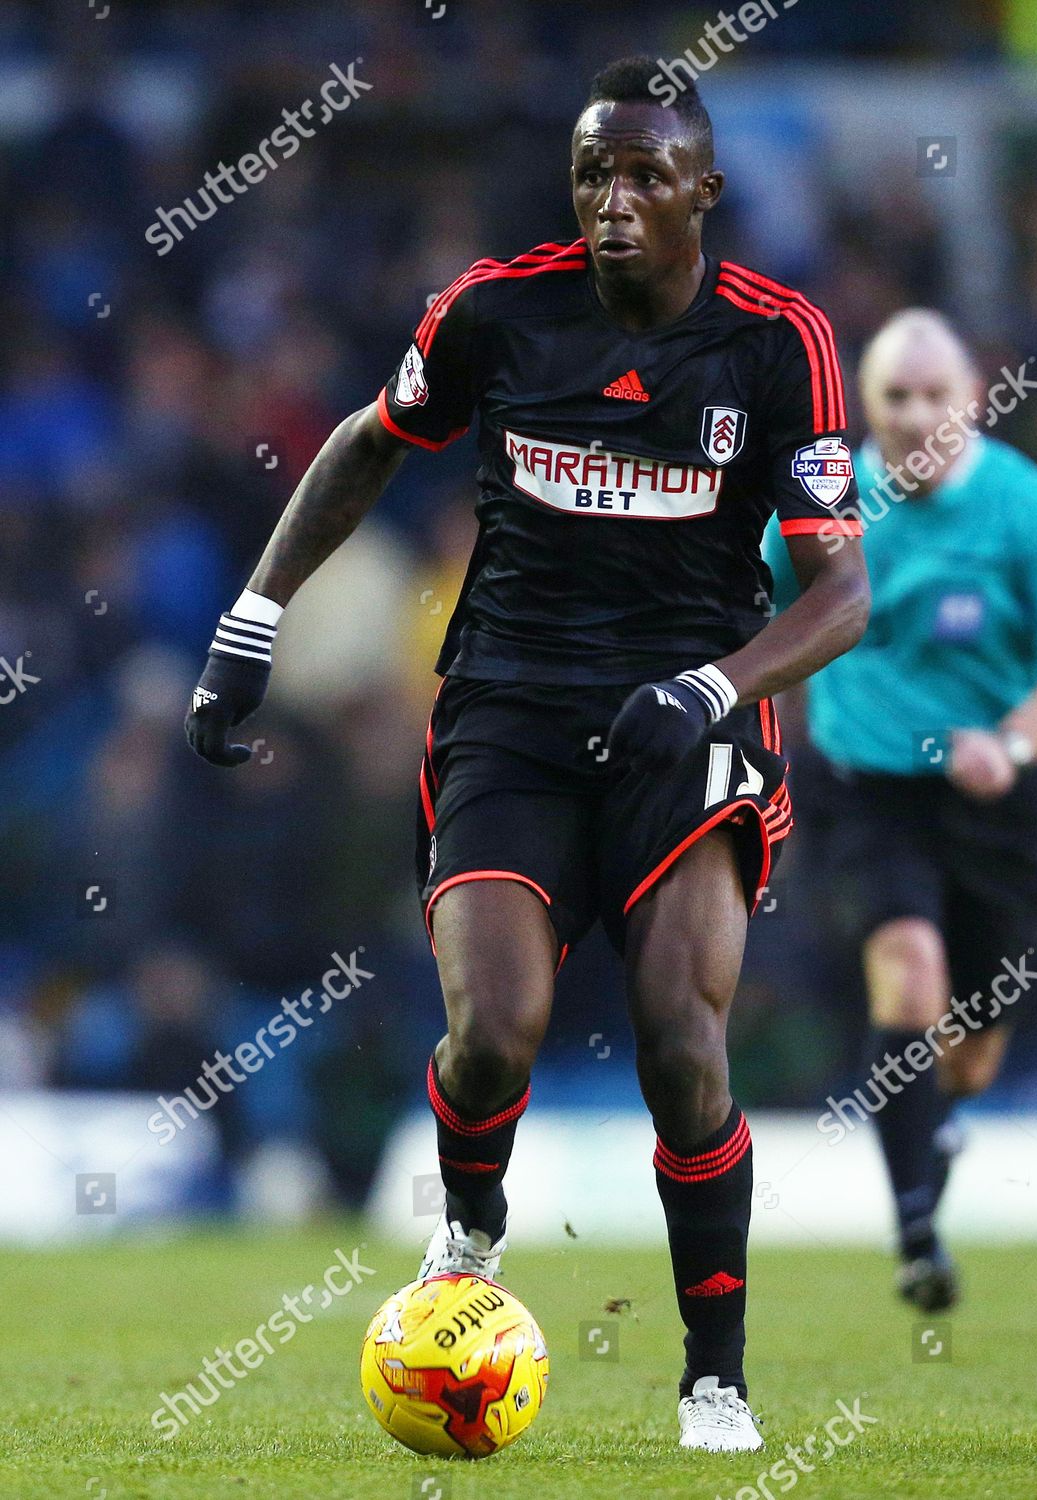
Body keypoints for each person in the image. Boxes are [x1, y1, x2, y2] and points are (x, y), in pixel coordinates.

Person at [186, 57, 869, 1450]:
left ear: (704, 192)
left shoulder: (775, 341)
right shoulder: (495, 312)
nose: (614, 201)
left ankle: (714, 1374)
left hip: (687, 726)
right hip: (506, 713)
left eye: (643, 176)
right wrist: (252, 618)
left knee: (682, 1046)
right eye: (592, 175)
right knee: (491, 1036)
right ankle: (471, 1235)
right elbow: (366, 445)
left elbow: (838, 596)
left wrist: (711, 687)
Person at [763, 309, 1037, 1311]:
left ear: (972, 398)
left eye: (934, 394)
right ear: (864, 406)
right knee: (908, 972)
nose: (916, 414)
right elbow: (754, 613)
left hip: (995, 799)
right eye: (893, 396)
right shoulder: (822, 499)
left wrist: (1007, 743)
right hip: (863, 789)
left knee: (969, 1046)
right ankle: (916, 1231)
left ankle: (942, 1118)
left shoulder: (1029, 508)